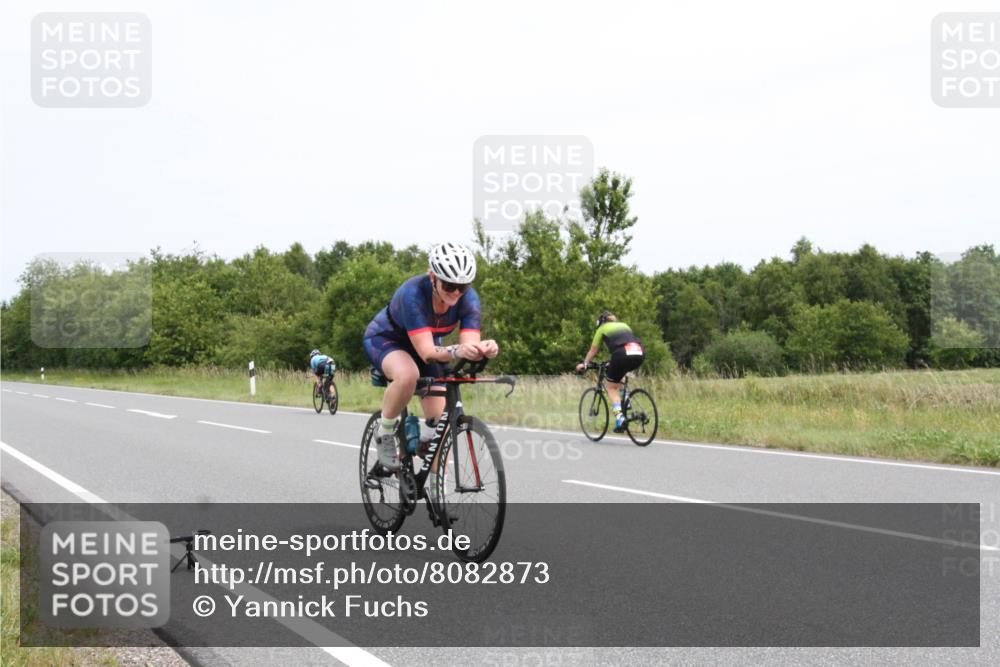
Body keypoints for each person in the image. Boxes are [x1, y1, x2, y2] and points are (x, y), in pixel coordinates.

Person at [363, 243, 499, 471]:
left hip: (427, 343)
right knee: (408, 375)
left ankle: (438, 498)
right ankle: (385, 433)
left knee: (440, 429)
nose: (456, 292)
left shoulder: (469, 299)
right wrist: (457, 350)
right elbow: (426, 353)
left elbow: (468, 346)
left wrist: (484, 349)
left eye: (462, 286)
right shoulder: (413, 294)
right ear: (432, 276)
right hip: (387, 339)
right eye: (449, 285)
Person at [575, 311, 645, 432]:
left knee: (611, 388)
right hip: (639, 352)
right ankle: (626, 400)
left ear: (601, 322)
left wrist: (585, 364)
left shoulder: (602, 329)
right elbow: (624, 343)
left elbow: (593, 351)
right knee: (620, 373)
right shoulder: (624, 325)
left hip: (622, 354)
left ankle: (620, 419)